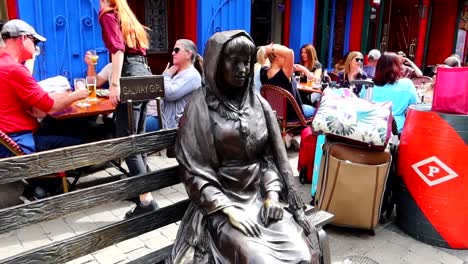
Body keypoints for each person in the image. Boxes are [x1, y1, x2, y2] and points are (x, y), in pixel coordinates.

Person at [171, 30, 319, 264]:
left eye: (246, 62)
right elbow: (194, 170)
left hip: (260, 200)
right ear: (217, 64)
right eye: (234, 61)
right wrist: (228, 210)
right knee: (260, 260)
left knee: (303, 255)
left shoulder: (258, 103)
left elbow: (269, 159)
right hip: (221, 206)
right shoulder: (199, 108)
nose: (242, 68)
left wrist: (271, 195)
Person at [99, 0, 157, 218]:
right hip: (144, 72)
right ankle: (144, 189)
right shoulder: (126, 15)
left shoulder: (107, 14)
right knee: (138, 139)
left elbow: (117, 50)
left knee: (127, 140)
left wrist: (115, 84)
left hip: (130, 73)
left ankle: (146, 200)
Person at [0, 19, 88, 157]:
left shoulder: (5, 65)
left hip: (7, 140)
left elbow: (39, 107)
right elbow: (51, 107)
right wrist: (77, 95)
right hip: (18, 144)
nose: (36, 47)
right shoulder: (14, 69)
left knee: (59, 127)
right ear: (23, 38)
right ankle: (59, 177)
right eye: (35, 41)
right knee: (82, 144)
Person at [362, 52, 419, 134]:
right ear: (398, 67)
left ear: (378, 67)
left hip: (369, 128)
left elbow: (362, 104)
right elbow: (416, 107)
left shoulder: (368, 84)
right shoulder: (407, 84)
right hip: (395, 131)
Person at [260, 43, 315, 119]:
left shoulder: (263, 72)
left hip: (274, 115)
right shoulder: (284, 75)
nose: (287, 60)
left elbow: (295, 66)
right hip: (292, 116)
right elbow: (290, 53)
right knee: (317, 110)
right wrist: (272, 49)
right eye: (284, 57)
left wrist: (267, 49)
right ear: (277, 57)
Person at [161, 39, 202, 129]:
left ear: (188, 54)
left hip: (179, 127)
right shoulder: (179, 73)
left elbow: (169, 94)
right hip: (167, 121)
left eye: (176, 50)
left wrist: (166, 76)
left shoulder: (192, 75)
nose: (173, 53)